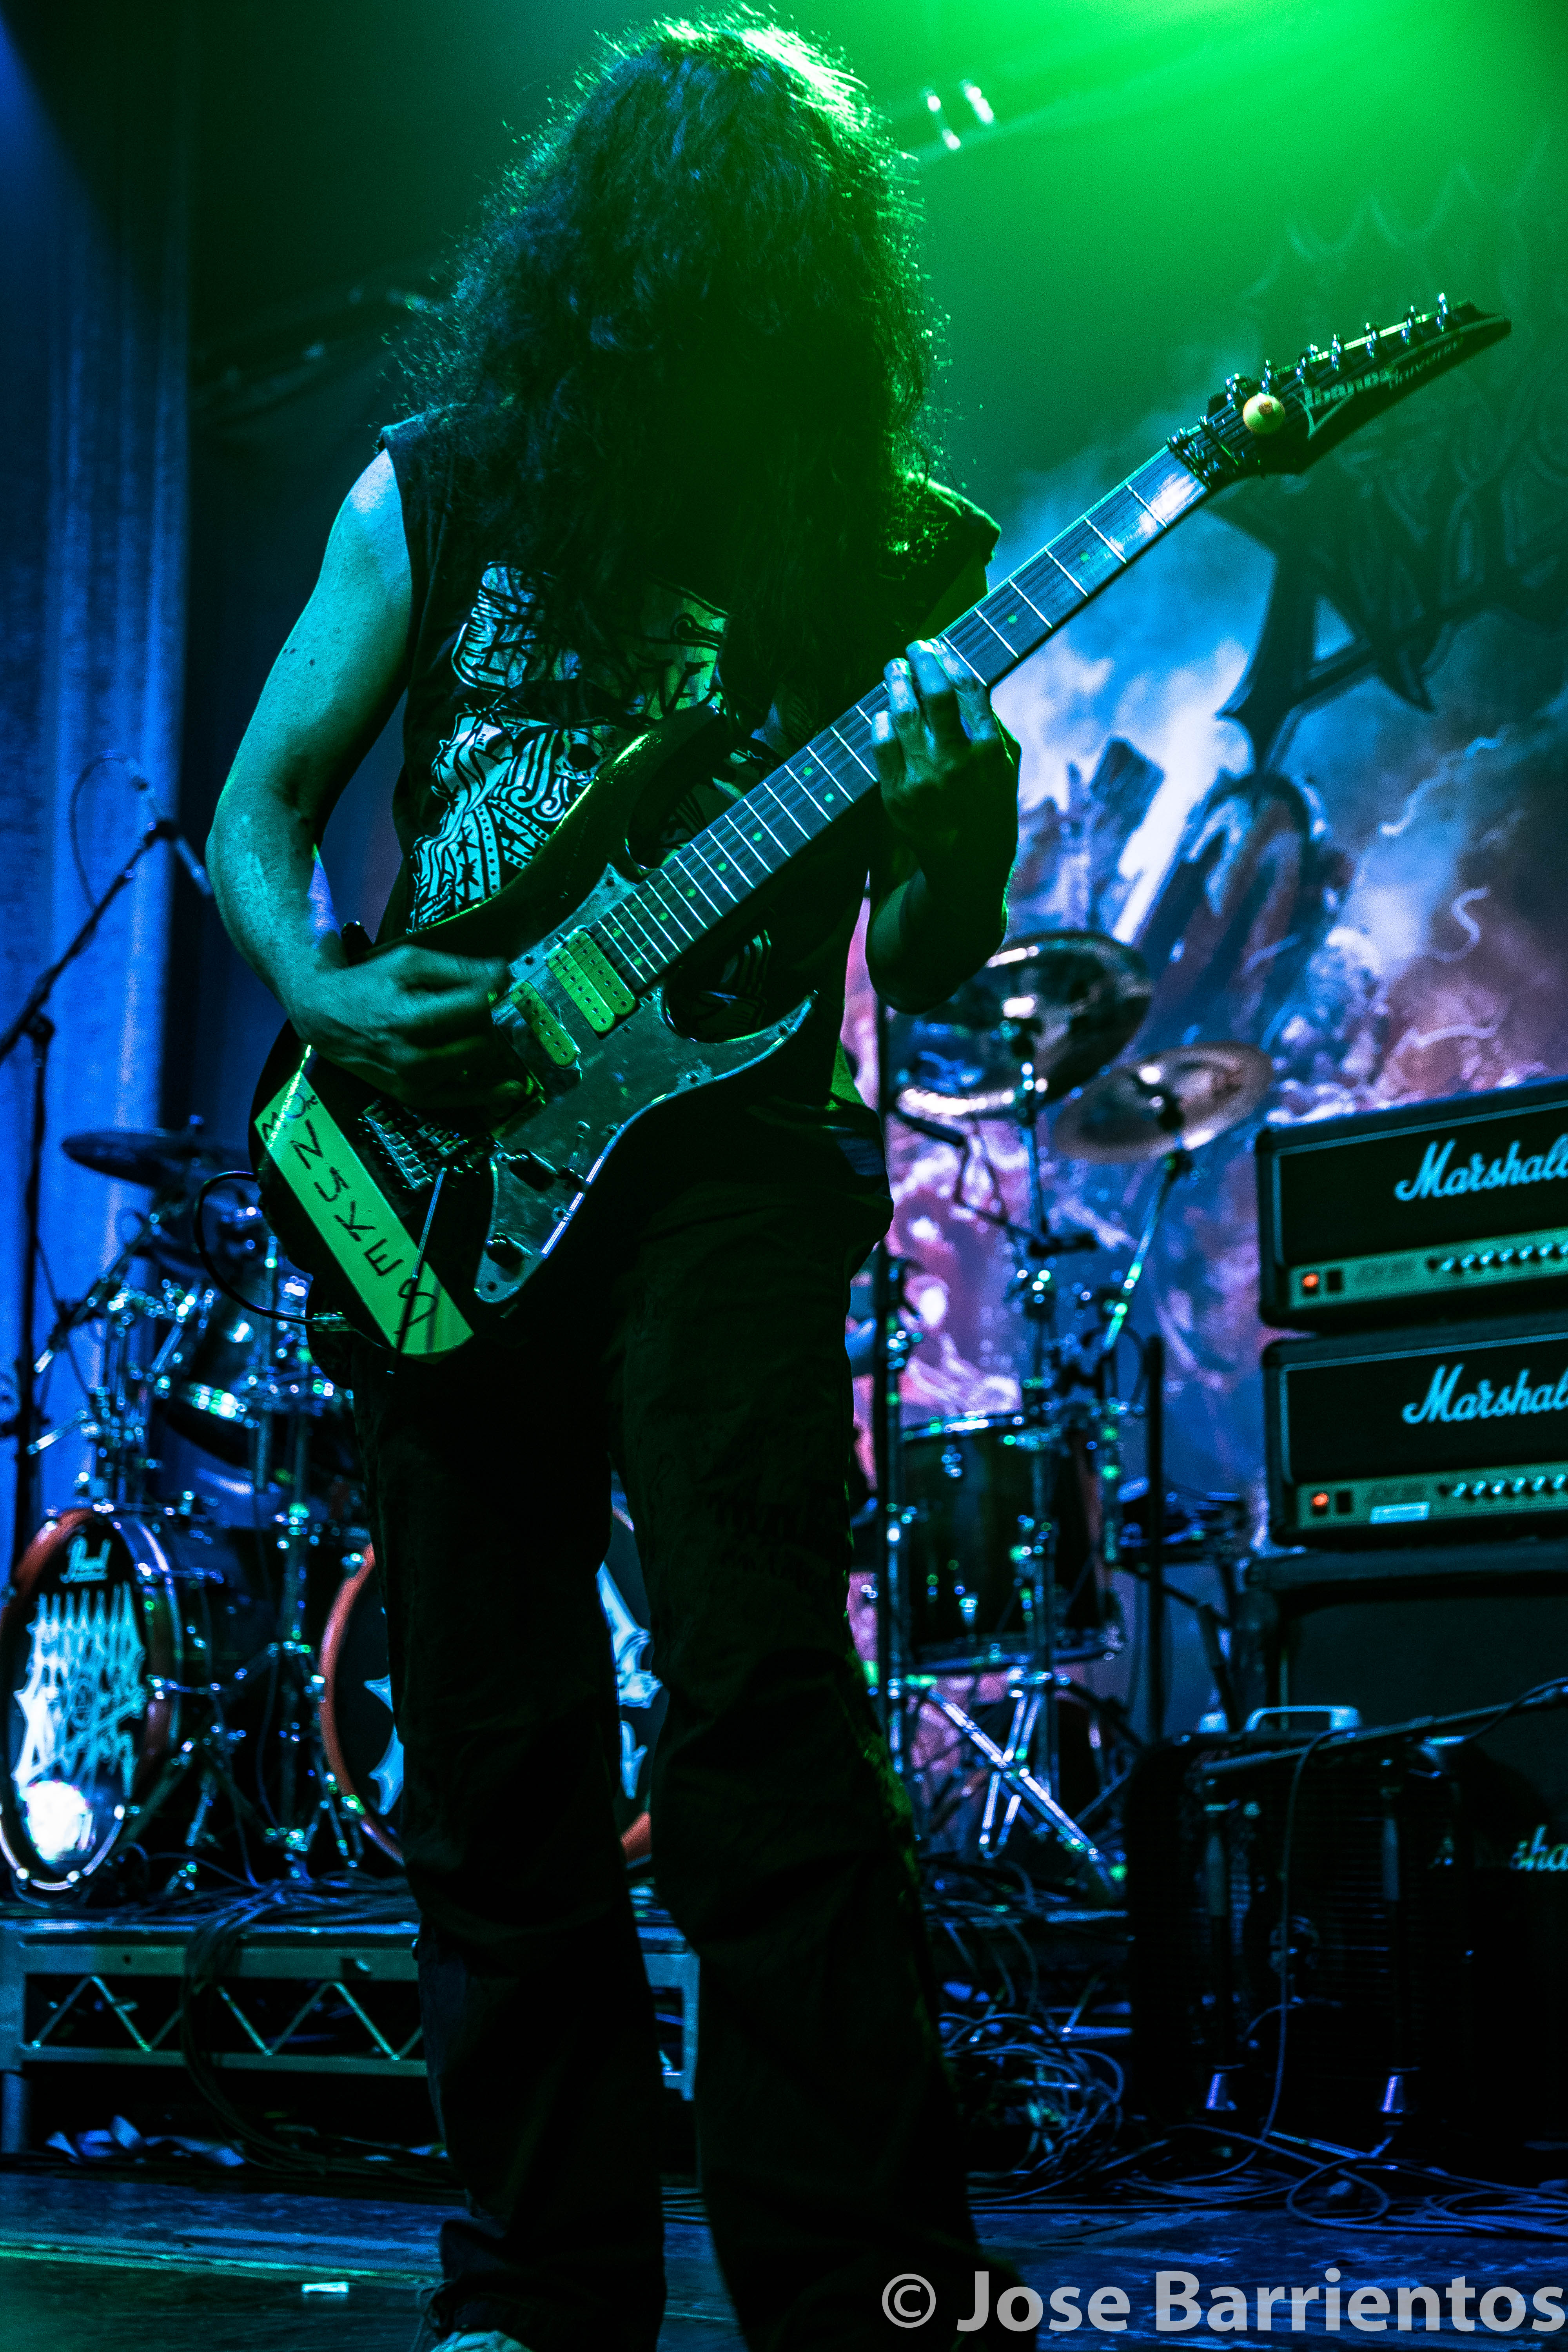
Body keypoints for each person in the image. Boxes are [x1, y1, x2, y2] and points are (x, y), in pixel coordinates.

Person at [207, 18, 1025, 2350]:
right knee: (492, 1738)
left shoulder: (896, 554)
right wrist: (332, 991)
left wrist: (958, 815)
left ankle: (873, 2297)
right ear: (595, 274)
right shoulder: (436, 490)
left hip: (738, 1160)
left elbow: (930, 960)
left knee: (761, 1703)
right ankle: (537, 2288)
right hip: (440, 1157)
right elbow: (260, 812)